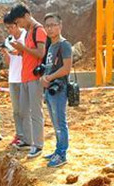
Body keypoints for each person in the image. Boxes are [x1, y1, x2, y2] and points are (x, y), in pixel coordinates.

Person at [8, 4, 47, 159]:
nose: (19, 26)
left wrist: (23, 49)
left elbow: (40, 53)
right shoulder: (30, 31)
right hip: (25, 76)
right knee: (24, 111)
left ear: (26, 15)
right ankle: (28, 140)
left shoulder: (39, 30)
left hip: (34, 78)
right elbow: (29, 54)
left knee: (35, 112)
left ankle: (38, 144)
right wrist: (19, 52)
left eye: (19, 22)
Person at [40, 14, 72, 167]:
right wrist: (44, 78)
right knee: (55, 122)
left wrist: (49, 78)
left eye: (53, 25)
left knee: (60, 122)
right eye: (47, 26)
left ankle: (62, 154)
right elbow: (50, 67)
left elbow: (66, 69)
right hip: (51, 88)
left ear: (60, 25)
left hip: (59, 88)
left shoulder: (64, 45)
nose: (50, 28)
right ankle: (58, 150)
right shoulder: (51, 45)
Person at [0, 13, 28, 148]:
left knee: (25, 109)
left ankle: (28, 136)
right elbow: (9, 62)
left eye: (11, 27)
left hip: (25, 77)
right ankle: (19, 134)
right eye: (8, 28)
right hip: (13, 77)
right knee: (16, 110)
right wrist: (6, 53)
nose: (10, 30)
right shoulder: (8, 40)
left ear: (18, 24)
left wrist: (20, 51)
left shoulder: (26, 36)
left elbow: (31, 54)